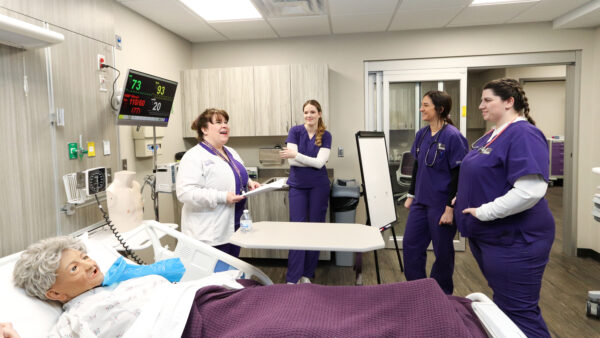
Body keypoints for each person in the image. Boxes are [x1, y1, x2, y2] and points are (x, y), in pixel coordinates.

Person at [13, 236, 487, 338]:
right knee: (307, 325)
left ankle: (431, 304)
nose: (90, 265)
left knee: (309, 296)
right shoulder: (73, 322)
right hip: (197, 328)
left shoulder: (112, 284)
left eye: (84, 257)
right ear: (54, 292)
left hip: (214, 302)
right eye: (75, 268)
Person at [454, 78, 554, 337]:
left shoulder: (524, 134)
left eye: (487, 100)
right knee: (506, 308)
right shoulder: (494, 134)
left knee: (519, 313)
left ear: (509, 102)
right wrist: (463, 197)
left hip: (516, 239)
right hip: (492, 237)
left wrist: (484, 211)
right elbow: (488, 174)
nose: (480, 106)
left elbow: (529, 192)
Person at [402, 90, 468, 295]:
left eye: (426, 105)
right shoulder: (421, 134)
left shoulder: (453, 137)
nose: (421, 108)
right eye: (422, 104)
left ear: (439, 109)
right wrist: (411, 195)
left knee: (443, 252)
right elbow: (417, 167)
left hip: (441, 204)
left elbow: (460, 175)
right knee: (411, 246)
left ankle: (442, 296)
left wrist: (450, 208)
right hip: (421, 201)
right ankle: (417, 291)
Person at [177, 108, 260, 257]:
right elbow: (185, 193)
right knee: (214, 276)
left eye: (226, 122)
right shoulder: (193, 156)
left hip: (234, 224)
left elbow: (238, 174)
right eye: (218, 122)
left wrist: (250, 183)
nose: (225, 126)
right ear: (204, 129)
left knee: (230, 271)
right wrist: (222, 197)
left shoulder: (230, 151)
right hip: (209, 231)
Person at [280, 99, 332, 284]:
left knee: (315, 229)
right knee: (297, 230)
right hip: (298, 186)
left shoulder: (326, 135)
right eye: (306, 112)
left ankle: (307, 274)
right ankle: (293, 278)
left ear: (319, 113)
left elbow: (320, 163)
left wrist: (297, 155)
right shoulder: (295, 131)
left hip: (319, 186)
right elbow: (292, 162)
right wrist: (302, 159)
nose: (309, 115)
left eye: (312, 112)